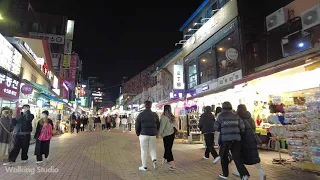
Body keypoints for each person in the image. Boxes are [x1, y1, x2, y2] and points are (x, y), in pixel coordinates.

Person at [214, 102, 249, 180]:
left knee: (224, 157)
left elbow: (216, 127)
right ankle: (244, 175)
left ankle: (225, 174)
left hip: (225, 140)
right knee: (237, 157)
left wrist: (223, 129)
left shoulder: (221, 116)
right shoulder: (236, 116)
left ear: (223, 107)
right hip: (236, 140)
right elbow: (242, 127)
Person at [232, 104, 266, 180]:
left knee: (238, 157)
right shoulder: (250, 117)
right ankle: (261, 173)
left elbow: (238, 130)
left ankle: (242, 172)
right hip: (251, 139)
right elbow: (254, 128)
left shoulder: (238, 117)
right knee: (254, 157)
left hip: (242, 140)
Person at [135, 101, 160, 171]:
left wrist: (138, 133)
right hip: (153, 135)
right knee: (152, 149)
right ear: (151, 106)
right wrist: (156, 132)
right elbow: (158, 124)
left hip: (143, 134)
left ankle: (144, 166)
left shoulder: (141, 114)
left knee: (144, 150)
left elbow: (137, 125)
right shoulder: (155, 114)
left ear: (145, 106)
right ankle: (154, 160)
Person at [158, 105, 176, 171]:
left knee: (167, 148)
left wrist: (158, 134)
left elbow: (162, 127)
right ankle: (172, 164)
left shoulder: (163, 117)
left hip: (166, 135)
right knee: (169, 149)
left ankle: (164, 158)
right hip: (172, 134)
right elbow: (175, 125)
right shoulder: (172, 117)